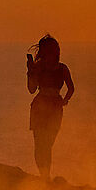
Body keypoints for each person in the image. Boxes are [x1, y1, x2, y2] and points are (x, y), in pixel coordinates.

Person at [24, 34, 76, 178]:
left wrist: (65, 100)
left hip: (54, 107)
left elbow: (71, 88)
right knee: (41, 144)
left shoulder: (62, 68)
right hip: (40, 105)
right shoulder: (38, 67)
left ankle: (45, 174)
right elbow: (32, 89)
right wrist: (30, 72)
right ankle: (45, 175)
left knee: (47, 144)